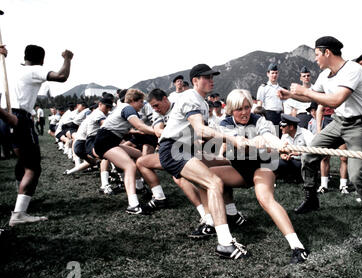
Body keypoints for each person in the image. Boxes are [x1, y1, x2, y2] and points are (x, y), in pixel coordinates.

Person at [278, 36, 362, 233]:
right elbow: (311, 94)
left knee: (356, 174)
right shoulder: (325, 74)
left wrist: (305, 91)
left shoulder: (352, 70)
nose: (316, 59)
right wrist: (291, 94)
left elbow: (335, 100)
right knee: (309, 156)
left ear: (327, 52)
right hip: (338, 122)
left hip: (358, 124)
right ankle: (311, 199)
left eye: (317, 54)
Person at [158, 63, 249, 259]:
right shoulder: (191, 97)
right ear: (195, 81)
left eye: (212, 76)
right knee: (214, 182)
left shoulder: (203, 102)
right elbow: (200, 130)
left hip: (186, 148)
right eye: (206, 77)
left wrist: (234, 136)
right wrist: (232, 139)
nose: (211, 80)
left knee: (223, 167)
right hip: (173, 149)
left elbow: (203, 136)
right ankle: (225, 243)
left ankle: (214, 220)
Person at [207, 89, 309, 264]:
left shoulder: (259, 120)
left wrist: (279, 143)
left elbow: (269, 135)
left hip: (262, 167)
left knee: (264, 199)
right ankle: (229, 216)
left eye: (247, 107)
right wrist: (252, 142)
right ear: (231, 109)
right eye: (239, 109)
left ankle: (297, 246)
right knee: (208, 178)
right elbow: (238, 142)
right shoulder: (224, 124)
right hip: (239, 171)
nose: (245, 112)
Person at [5, 44, 73, 226]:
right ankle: (19, 213)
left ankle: (23, 199)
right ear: (41, 59)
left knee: (23, 162)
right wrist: (67, 58)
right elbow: (61, 76)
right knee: (33, 167)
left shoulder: (13, 71)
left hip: (6, 115)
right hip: (20, 117)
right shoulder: (34, 70)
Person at [93, 89, 156, 214]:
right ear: (132, 100)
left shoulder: (124, 107)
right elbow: (140, 126)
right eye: (141, 101)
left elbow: (134, 129)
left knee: (140, 157)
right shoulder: (128, 108)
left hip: (110, 140)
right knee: (130, 166)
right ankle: (133, 205)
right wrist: (159, 132)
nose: (142, 104)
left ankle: (139, 187)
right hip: (105, 141)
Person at [277, 114, 313, 182]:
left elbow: (313, 149)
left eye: (283, 126)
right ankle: (289, 176)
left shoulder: (305, 133)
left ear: (291, 127)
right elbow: (282, 151)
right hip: (290, 161)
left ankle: (299, 177)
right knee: (278, 163)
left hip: (303, 162)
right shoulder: (284, 135)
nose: (281, 127)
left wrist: (299, 153)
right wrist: (283, 155)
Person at [256, 63, 284, 128]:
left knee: (279, 136)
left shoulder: (281, 89)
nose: (274, 75)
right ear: (268, 74)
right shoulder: (263, 88)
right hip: (268, 115)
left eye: (276, 73)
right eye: (272, 73)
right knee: (271, 135)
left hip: (280, 116)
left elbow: (283, 105)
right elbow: (259, 104)